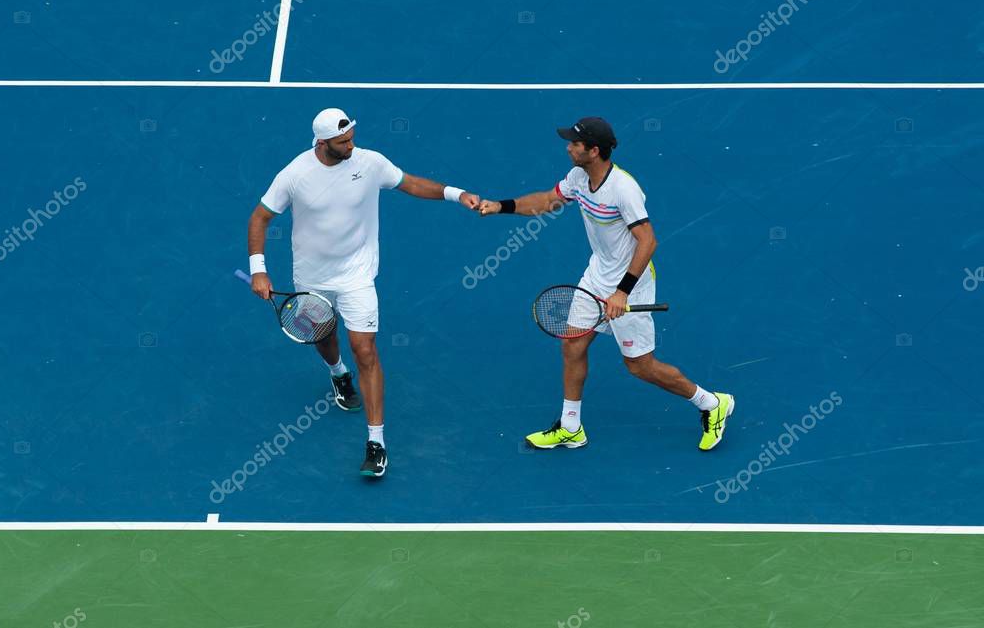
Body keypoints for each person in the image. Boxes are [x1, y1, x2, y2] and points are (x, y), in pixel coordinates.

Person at [247, 108, 480, 477]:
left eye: (352, 136)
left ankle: (376, 441)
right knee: (322, 338)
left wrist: (457, 193)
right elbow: (260, 217)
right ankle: (338, 373)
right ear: (322, 143)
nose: (351, 145)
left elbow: (411, 183)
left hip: (357, 277)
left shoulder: (369, 163)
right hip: (312, 278)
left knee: (366, 349)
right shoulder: (295, 174)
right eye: (342, 142)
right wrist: (259, 270)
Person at [478, 117, 735, 451]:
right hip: (597, 276)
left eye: (575, 143)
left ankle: (712, 404)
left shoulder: (623, 189)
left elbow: (648, 241)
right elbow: (546, 200)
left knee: (640, 367)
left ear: (594, 150)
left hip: (632, 282)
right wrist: (502, 206)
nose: (568, 147)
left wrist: (622, 291)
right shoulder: (578, 177)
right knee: (572, 344)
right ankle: (571, 427)